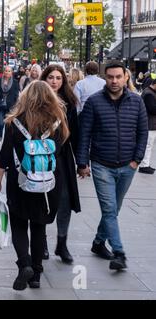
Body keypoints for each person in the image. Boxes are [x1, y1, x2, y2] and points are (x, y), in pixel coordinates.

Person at [0, 81, 70, 290]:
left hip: (21, 180)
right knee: (39, 226)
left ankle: (24, 264)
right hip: (49, 183)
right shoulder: (58, 121)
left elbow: (5, 155)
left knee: (18, 223)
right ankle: (36, 275)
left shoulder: (14, 122)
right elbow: (60, 151)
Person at [77, 62, 148, 270]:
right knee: (109, 209)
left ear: (126, 77)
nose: (114, 81)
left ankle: (99, 242)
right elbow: (85, 134)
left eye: (118, 77)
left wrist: (137, 160)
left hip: (128, 165)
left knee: (114, 209)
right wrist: (82, 162)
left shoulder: (137, 102)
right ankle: (119, 252)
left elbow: (143, 133)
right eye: (110, 77)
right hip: (101, 164)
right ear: (104, 78)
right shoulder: (94, 102)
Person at [41, 64, 81, 263]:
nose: (55, 81)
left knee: (64, 201)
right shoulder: (35, 100)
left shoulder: (69, 103)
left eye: (58, 78)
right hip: (40, 157)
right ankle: (42, 243)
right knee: (42, 200)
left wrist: (82, 162)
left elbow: (75, 133)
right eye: (51, 77)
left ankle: (62, 243)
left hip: (63, 158)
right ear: (44, 79)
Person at [0, 66, 20, 151]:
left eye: (9, 71)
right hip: (0, 106)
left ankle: (7, 142)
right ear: (3, 72)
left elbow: (17, 96)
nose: (7, 72)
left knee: (9, 125)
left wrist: (17, 107)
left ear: (11, 73)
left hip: (10, 107)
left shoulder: (15, 82)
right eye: (6, 71)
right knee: (0, 124)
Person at [139, 78, 156, 174]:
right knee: (148, 145)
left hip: (150, 123)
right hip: (150, 124)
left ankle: (146, 164)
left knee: (148, 145)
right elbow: (153, 109)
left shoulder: (148, 91)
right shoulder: (149, 94)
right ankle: (144, 165)